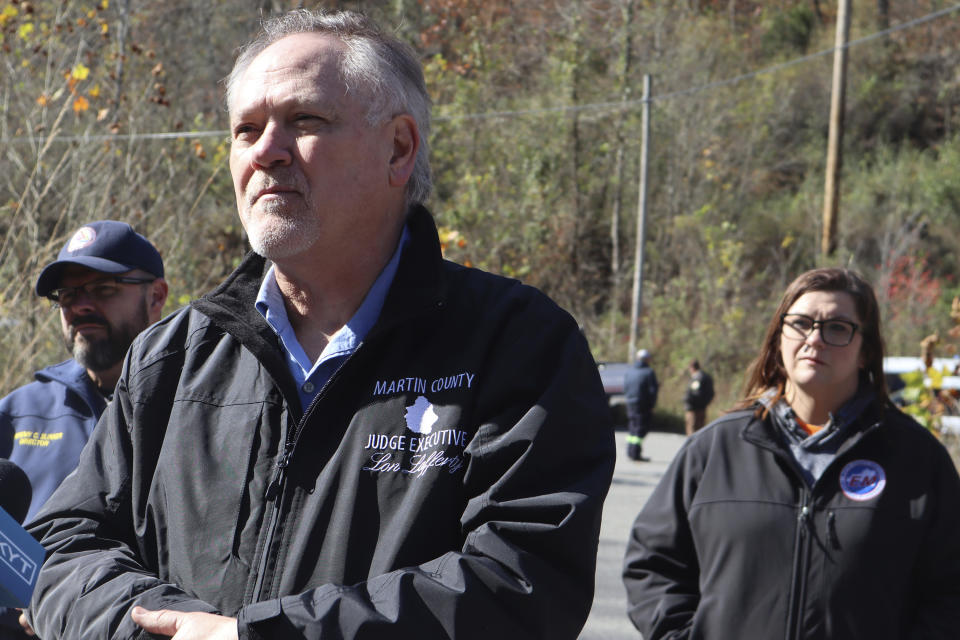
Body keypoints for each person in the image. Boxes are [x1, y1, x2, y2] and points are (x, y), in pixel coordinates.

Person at [25, 9, 615, 640]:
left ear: (398, 148)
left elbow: (522, 584)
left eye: (304, 121)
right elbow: (67, 548)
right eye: (246, 130)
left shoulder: (519, 345)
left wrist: (261, 636)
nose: (265, 152)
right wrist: (158, 629)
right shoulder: (171, 356)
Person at [623, 268, 960, 638]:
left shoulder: (916, 459)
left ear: (865, 351)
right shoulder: (714, 449)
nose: (815, 339)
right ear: (778, 338)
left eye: (837, 327)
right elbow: (652, 565)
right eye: (801, 323)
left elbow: (949, 592)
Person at [0, 220, 168, 639]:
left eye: (103, 289)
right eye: (69, 295)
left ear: (156, 296)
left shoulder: (198, 409)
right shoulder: (18, 414)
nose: (80, 305)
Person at [623, 348, 658, 461]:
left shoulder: (630, 371)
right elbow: (652, 391)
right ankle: (635, 453)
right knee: (640, 429)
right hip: (643, 405)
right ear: (647, 359)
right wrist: (652, 405)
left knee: (632, 427)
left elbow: (626, 387)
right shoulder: (649, 372)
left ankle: (630, 451)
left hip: (630, 403)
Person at [682, 359, 714, 436]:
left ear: (692, 368)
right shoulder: (705, 376)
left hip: (694, 410)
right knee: (700, 431)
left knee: (692, 432)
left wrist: (687, 400)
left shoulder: (697, 378)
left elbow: (695, 394)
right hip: (701, 408)